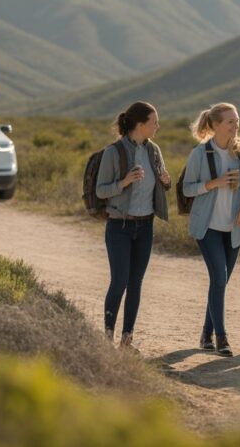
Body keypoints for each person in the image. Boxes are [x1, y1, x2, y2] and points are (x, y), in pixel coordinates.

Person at [181, 102, 240, 357]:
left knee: (219, 282)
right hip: (208, 227)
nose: (236, 126)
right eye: (230, 122)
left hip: (234, 228)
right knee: (219, 278)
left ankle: (205, 334)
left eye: (237, 121)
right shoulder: (200, 154)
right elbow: (187, 188)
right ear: (215, 125)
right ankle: (222, 338)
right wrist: (215, 183)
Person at [96, 101, 171, 350]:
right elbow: (101, 190)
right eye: (154, 122)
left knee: (136, 283)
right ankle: (107, 338)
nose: (157, 126)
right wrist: (125, 181)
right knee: (120, 281)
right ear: (140, 125)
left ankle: (127, 340)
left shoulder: (154, 150)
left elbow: (161, 181)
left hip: (145, 226)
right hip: (120, 226)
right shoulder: (113, 152)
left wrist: (165, 181)